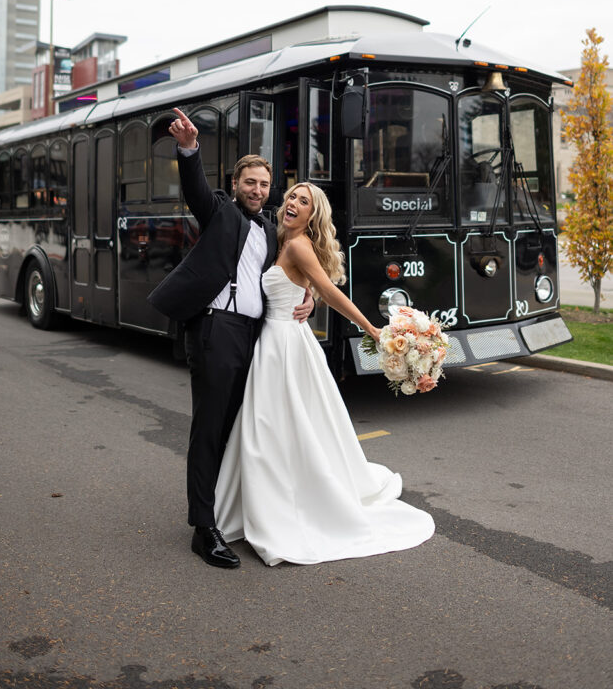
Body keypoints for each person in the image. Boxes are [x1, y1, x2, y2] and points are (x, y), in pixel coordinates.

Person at [214, 181, 435, 566]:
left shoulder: (298, 245)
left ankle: (280, 504)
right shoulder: (281, 238)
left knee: (273, 427)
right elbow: (303, 283)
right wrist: (308, 295)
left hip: (284, 345)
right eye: (292, 198)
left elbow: (331, 291)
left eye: (304, 201)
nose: (294, 204)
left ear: (313, 214)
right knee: (279, 426)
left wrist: (371, 328)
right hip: (277, 341)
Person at [147, 108, 313, 569]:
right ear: (236, 183)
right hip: (216, 330)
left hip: (253, 337)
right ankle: (204, 529)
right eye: (250, 183)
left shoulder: (269, 228)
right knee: (210, 428)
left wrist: (311, 298)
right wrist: (188, 149)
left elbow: (290, 273)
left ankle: (229, 513)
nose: (258, 191)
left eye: (264, 185)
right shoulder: (219, 210)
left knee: (239, 430)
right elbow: (195, 188)